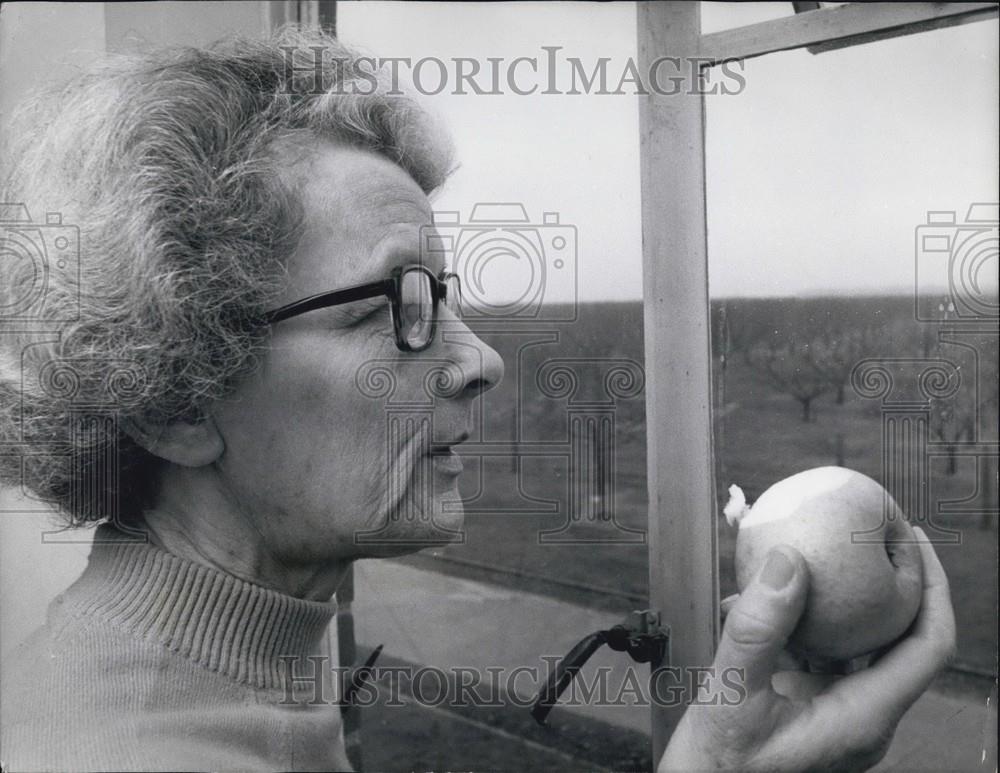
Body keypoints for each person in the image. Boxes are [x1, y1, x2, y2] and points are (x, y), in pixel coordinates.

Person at [0, 28, 955, 773]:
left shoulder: (237, 676)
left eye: (445, 297)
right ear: (173, 398)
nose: (481, 360)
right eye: (395, 305)